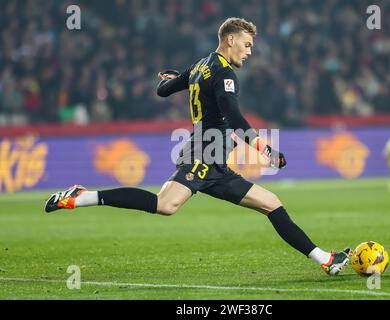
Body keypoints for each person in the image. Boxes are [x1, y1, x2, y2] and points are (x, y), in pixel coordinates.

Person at [44, 18, 351, 276]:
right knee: (165, 205)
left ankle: (325, 259)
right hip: (205, 152)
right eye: (246, 45)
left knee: (271, 203)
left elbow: (163, 90)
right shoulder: (224, 73)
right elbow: (234, 116)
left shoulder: (199, 66)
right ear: (230, 39)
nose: (249, 52)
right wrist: (266, 150)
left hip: (216, 160)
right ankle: (81, 197)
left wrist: (171, 77)